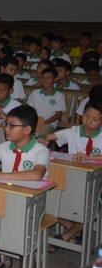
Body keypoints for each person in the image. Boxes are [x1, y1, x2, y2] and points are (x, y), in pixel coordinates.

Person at [0, 105, 49, 268]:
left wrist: (1, 175)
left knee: (18, 220)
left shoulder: (40, 150)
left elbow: (37, 174)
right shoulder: (4, 147)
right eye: (6, 124)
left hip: (31, 203)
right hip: (5, 198)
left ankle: (27, 255)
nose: (6, 128)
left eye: (12, 125)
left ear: (27, 129)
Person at [38, 99, 102, 252]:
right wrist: (42, 140)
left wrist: (90, 157)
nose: (88, 122)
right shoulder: (73, 132)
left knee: (86, 207)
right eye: (86, 116)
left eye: (95, 119)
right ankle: (75, 231)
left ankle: (66, 235)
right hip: (73, 179)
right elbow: (49, 136)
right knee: (50, 201)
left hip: (97, 183)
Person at [26, 67, 66, 134]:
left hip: (49, 123)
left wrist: (43, 122)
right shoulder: (35, 93)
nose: (45, 80)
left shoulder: (59, 96)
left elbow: (58, 115)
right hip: (34, 121)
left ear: (55, 79)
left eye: (48, 78)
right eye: (43, 77)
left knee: (39, 133)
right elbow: (29, 109)